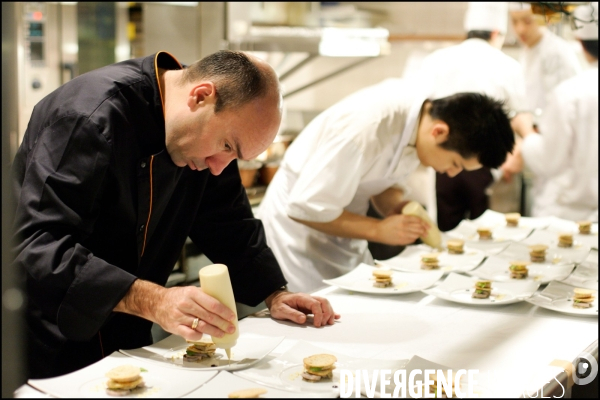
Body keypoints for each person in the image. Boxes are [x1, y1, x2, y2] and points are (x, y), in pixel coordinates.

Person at [10, 50, 340, 379]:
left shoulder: (205, 139)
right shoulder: (88, 117)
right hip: (45, 340)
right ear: (200, 96)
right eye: (227, 146)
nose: (219, 167)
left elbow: (227, 221)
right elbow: (37, 245)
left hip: (128, 336)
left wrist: (275, 292)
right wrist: (152, 300)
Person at [257, 79, 515, 293]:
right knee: (315, 318)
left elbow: (379, 178)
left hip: (343, 230)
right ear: (439, 132)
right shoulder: (366, 126)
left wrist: (395, 205)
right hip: (298, 235)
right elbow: (306, 208)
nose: (451, 172)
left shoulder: (420, 120)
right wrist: (379, 230)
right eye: (455, 163)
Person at [408, 2, 535, 231]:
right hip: (482, 160)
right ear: (496, 33)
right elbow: (519, 116)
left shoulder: (436, 59)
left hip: (441, 156)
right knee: (483, 230)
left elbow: (416, 108)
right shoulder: (508, 65)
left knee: (446, 228)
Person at [520, 2, 598, 221]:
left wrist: (526, 132)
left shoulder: (570, 93)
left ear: (580, 42)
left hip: (568, 217)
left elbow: (547, 159)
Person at [503, 2, 584, 205]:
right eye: (515, 22)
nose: (520, 29)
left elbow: (559, 115)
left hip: (558, 161)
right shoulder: (528, 52)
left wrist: (525, 142)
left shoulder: (556, 54)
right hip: (537, 154)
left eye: (527, 21)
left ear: (543, 20)